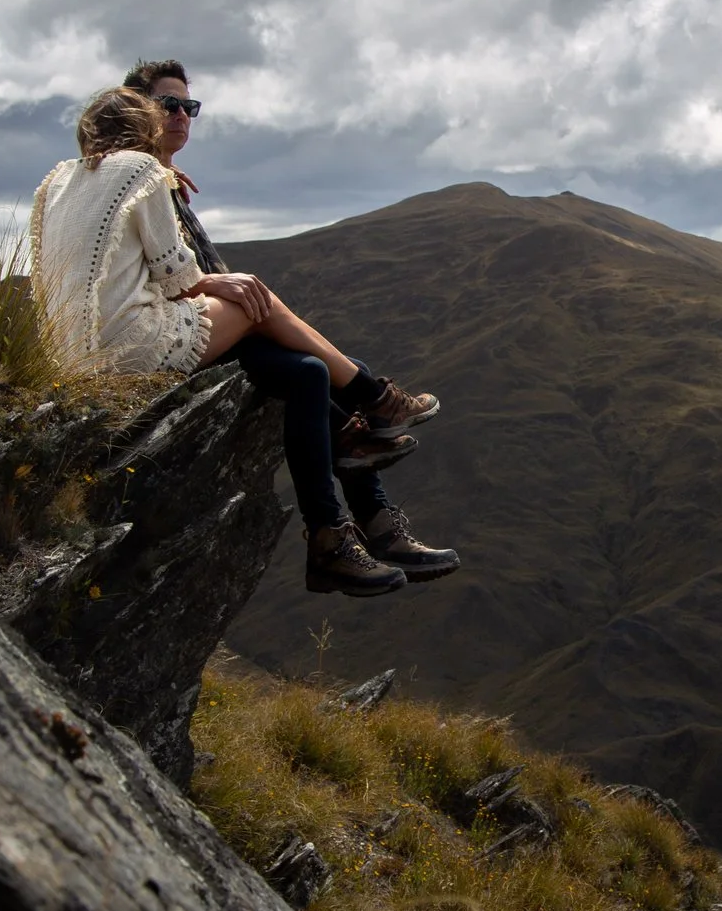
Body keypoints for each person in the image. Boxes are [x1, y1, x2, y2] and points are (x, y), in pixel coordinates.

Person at [31, 84, 457, 595]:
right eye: (166, 108)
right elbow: (178, 279)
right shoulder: (141, 173)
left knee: (310, 370)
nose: (179, 116)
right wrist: (220, 281)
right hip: (135, 343)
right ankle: (369, 411)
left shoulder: (57, 181)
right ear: (144, 122)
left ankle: (355, 502)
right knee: (275, 319)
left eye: (188, 107)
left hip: (71, 352)